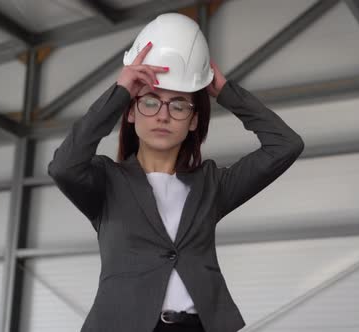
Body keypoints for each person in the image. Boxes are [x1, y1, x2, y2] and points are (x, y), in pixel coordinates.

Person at [48, 13, 304, 332]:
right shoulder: (105, 182)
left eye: (179, 105)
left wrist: (225, 91)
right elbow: (63, 166)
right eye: (150, 102)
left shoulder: (212, 185)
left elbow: (286, 145)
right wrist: (121, 90)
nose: (164, 116)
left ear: (193, 120)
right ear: (130, 112)